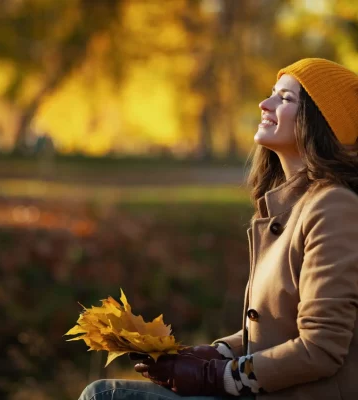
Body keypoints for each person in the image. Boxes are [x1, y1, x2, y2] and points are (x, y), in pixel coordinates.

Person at [78, 58, 358, 400]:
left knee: (105, 396)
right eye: (272, 94)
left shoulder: (334, 207)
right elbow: (276, 332)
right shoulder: (291, 207)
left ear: (321, 123)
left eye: (284, 99)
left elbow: (321, 348)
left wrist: (217, 376)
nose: (264, 104)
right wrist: (214, 354)